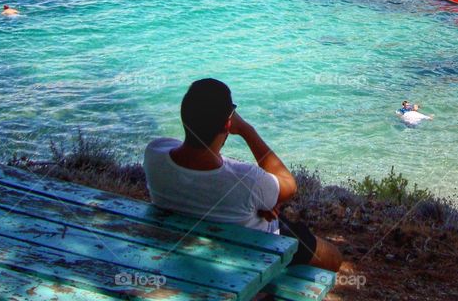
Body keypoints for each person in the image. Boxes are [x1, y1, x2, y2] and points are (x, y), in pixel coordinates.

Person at [144, 79, 342, 272]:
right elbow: (289, 185)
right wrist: (247, 130)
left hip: (192, 241)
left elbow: (197, 162)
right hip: (257, 248)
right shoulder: (248, 180)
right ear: (228, 125)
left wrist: (259, 199)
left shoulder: (154, 154)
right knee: (333, 257)